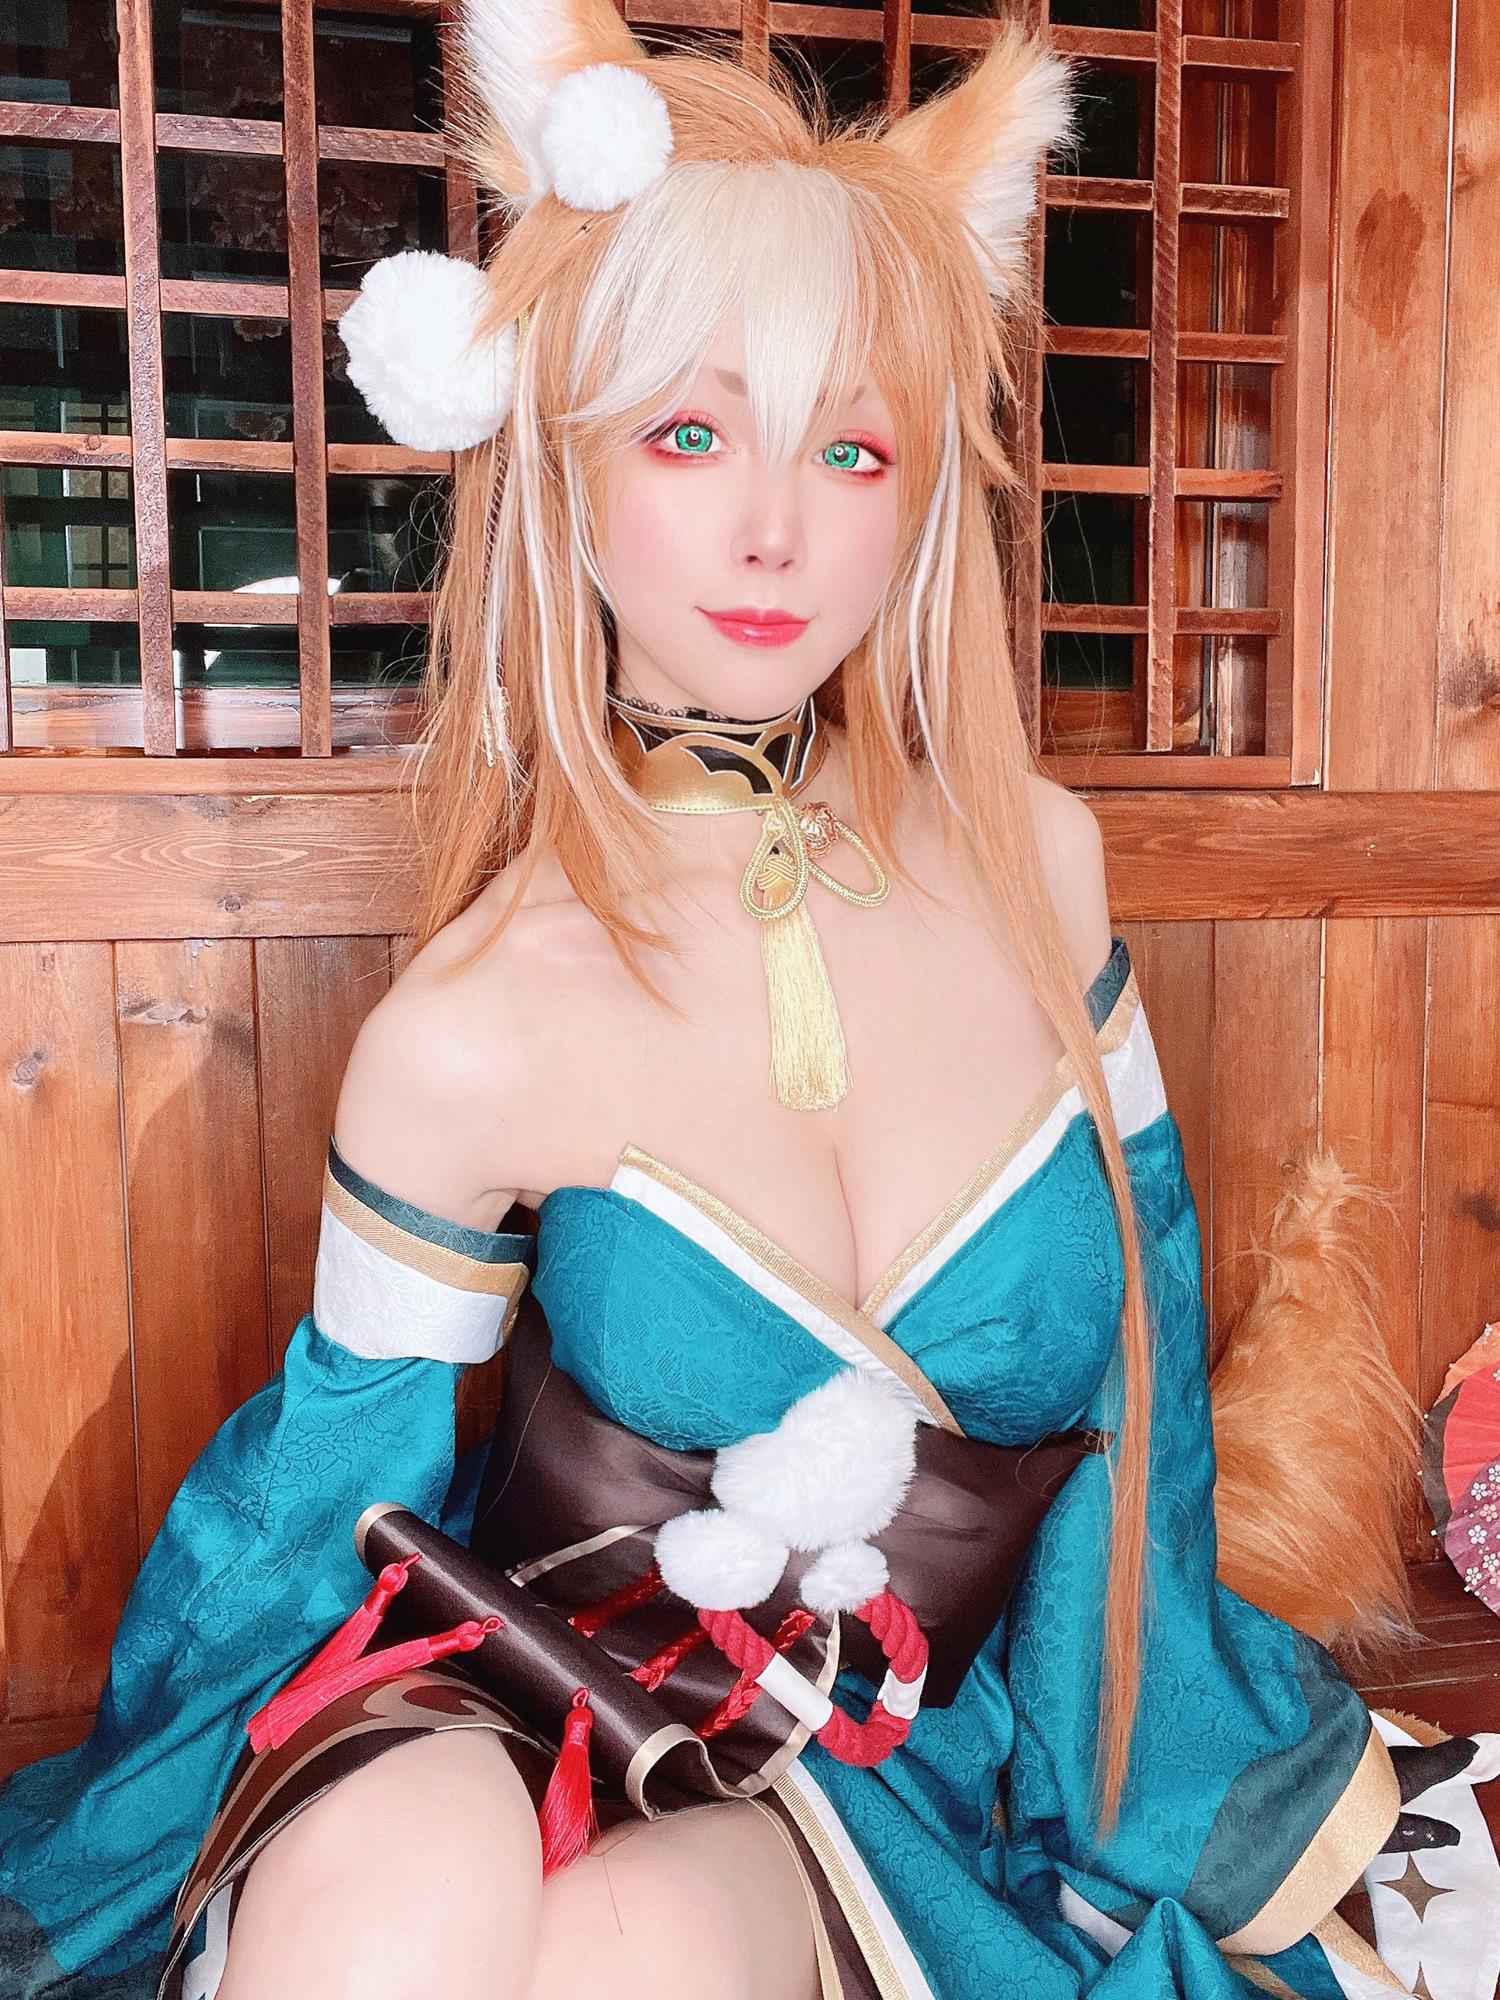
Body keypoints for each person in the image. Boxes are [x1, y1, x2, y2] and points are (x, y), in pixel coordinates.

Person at [1, 3, 1492, 1996]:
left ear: (921, 493)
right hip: (486, 1673)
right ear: (569, 461)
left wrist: (1175, 1800)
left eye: (850, 447)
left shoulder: (1043, 873)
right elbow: (305, 1513)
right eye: (691, 434)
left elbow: (1138, 1441)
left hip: (857, 1776)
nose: (775, 528)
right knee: (397, 1896)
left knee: (634, 1956)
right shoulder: (471, 1027)